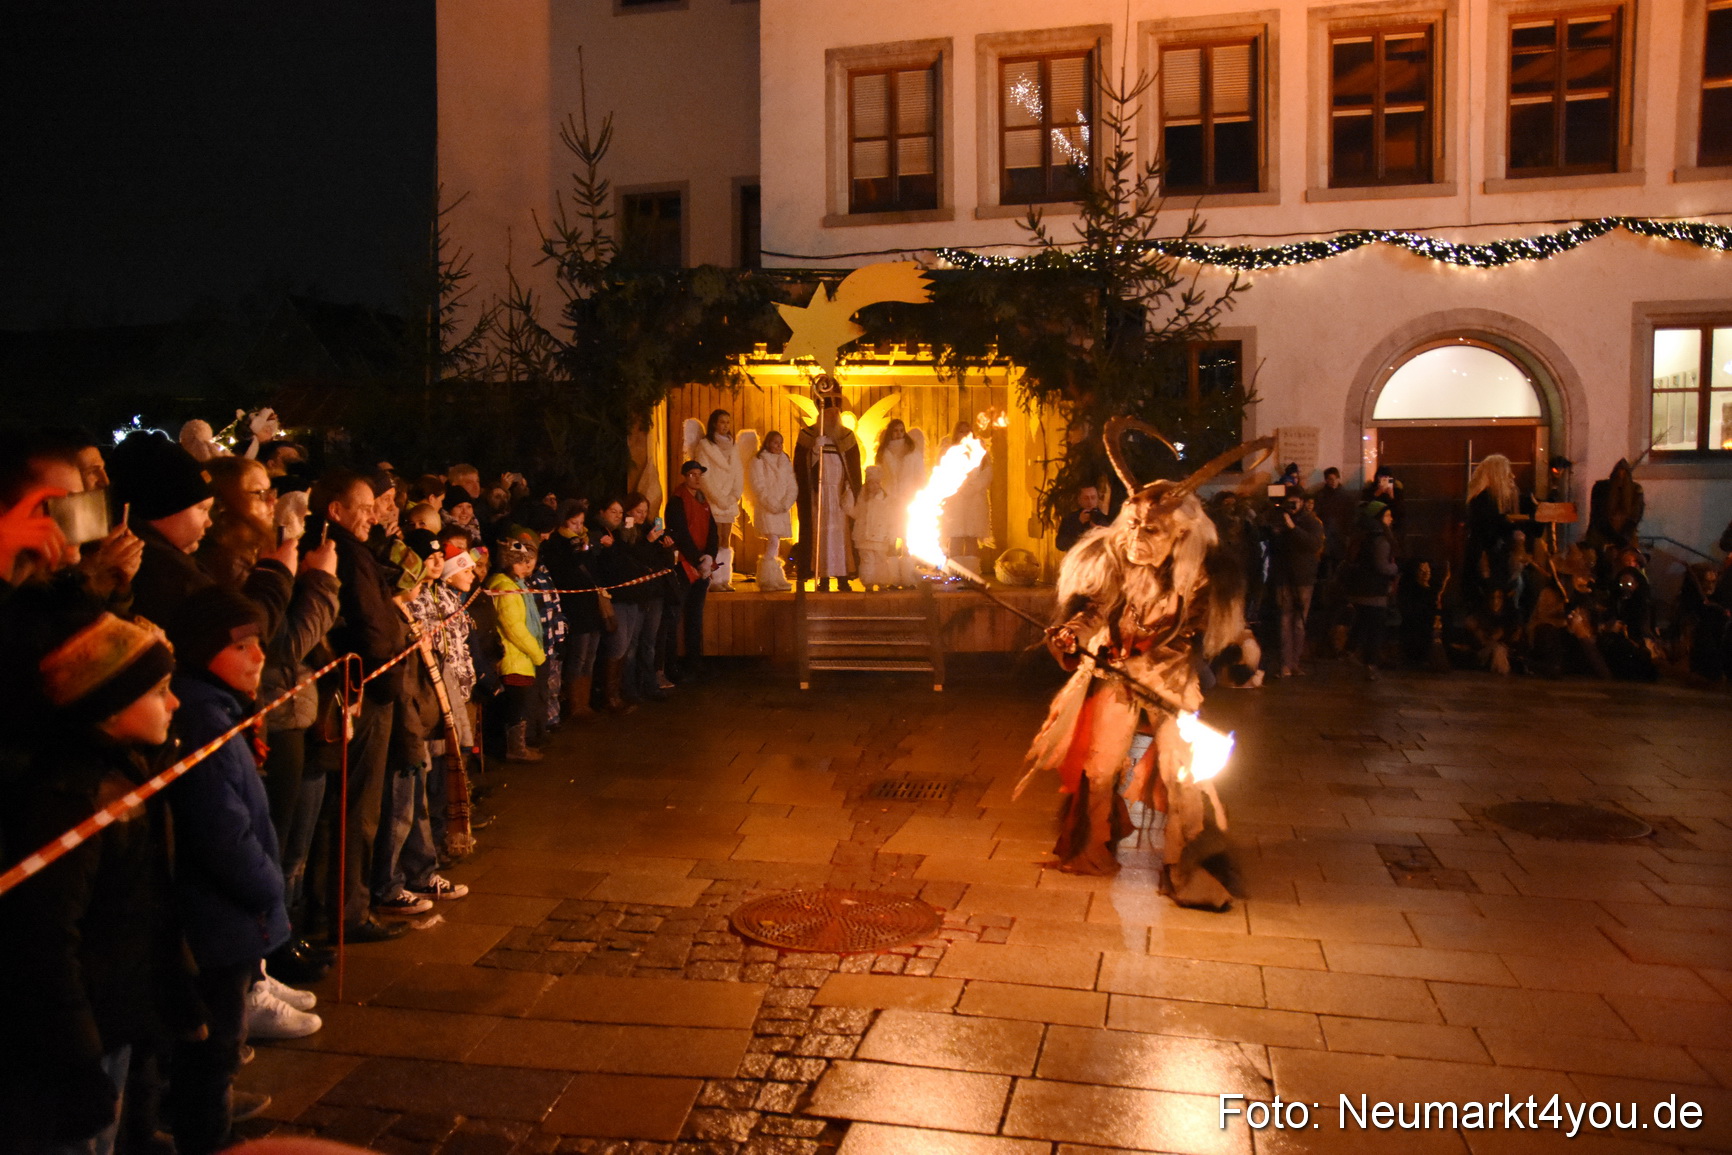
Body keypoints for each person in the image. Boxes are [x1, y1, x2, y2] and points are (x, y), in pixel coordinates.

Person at [1017, 419, 1268, 909]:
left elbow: (1186, 641)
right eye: (1132, 526)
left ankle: (1184, 867)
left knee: (1182, 777)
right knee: (1100, 763)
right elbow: (1096, 610)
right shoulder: (1118, 560)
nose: (1137, 538)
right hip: (1114, 675)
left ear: (1179, 533)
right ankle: (1090, 849)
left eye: (1151, 530)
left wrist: (1141, 666)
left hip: (1168, 684)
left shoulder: (1199, 579)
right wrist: (1074, 635)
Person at [0, 611, 203, 1155]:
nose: (176, 702)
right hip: (72, 1035)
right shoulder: (73, 801)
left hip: (111, 1014)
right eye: (161, 691)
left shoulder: (121, 769)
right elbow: (44, 940)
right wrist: (79, 1061)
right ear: (110, 708)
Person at [163, 587, 317, 1155]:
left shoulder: (219, 708)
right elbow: (221, 828)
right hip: (218, 917)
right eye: (243, 645)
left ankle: (213, 1114)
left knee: (220, 1039)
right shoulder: (204, 717)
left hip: (227, 916)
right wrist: (268, 887)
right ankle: (209, 1134)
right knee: (214, 1041)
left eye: (259, 643)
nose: (258, 657)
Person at [307, 470, 410, 944]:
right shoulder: (346, 554)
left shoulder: (354, 551)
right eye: (365, 507)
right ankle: (346, 910)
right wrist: (386, 676)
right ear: (336, 510)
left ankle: (343, 905)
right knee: (355, 808)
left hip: (365, 686)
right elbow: (372, 623)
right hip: (362, 692)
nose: (374, 515)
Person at [484, 538, 547, 762]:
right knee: (516, 706)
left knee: (518, 704)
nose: (527, 566)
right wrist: (537, 653)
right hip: (514, 656)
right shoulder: (505, 587)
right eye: (521, 562)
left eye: (529, 561)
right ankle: (515, 749)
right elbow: (514, 627)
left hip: (520, 657)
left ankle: (516, 747)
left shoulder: (515, 585)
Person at [540, 499, 602, 719]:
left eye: (581, 522)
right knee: (579, 655)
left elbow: (594, 568)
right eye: (574, 523)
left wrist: (585, 549)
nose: (578, 527)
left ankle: (585, 702)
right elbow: (565, 574)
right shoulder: (556, 543)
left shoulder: (585, 541)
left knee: (591, 655)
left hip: (591, 604)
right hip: (575, 607)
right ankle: (575, 704)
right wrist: (576, 552)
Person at [793, 400, 862, 590]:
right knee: (821, 536)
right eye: (829, 413)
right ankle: (822, 577)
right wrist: (815, 451)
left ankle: (842, 576)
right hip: (819, 496)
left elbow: (853, 468)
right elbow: (801, 468)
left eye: (836, 413)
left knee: (841, 537)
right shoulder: (808, 436)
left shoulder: (847, 436)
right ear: (822, 415)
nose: (833, 417)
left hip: (839, 495)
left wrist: (849, 489)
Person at [665, 460, 719, 679]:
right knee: (676, 615)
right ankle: (671, 666)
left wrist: (710, 556)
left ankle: (694, 661)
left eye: (699, 474)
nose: (697, 478)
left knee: (695, 615)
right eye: (693, 474)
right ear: (685, 476)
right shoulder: (677, 501)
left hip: (701, 565)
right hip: (684, 566)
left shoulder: (702, 499)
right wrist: (698, 559)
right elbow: (680, 534)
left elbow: (712, 530)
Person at [687, 409, 746, 591]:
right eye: (722, 422)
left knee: (726, 540)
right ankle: (712, 579)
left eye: (728, 422)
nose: (725, 426)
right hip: (713, 498)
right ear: (714, 423)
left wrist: (734, 495)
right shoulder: (705, 446)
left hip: (729, 500)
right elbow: (704, 475)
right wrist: (718, 497)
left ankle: (723, 578)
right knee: (714, 538)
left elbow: (738, 472)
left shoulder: (733, 446)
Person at [1269, 489, 1324, 677]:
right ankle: (1285, 664)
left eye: (1295, 503)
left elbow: (1313, 544)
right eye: (1288, 503)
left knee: (1299, 623)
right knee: (1284, 621)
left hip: (1303, 578)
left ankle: (1295, 662)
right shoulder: (1279, 519)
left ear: (1301, 502)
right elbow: (1271, 544)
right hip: (1284, 577)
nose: (1292, 507)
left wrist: (1293, 528)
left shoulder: (1311, 522)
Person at [1343, 502, 1400, 679]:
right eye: (1388, 515)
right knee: (1375, 630)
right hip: (1375, 591)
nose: (1391, 519)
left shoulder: (1361, 535)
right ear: (1379, 518)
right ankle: (1371, 665)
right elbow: (1382, 566)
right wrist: (1395, 568)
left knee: (1361, 622)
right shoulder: (1381, 539)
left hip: (1358, 589)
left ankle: (1349, 651)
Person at [746, 430, 797, 592]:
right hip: (767, 507)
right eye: (775, 442)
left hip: (782, 508)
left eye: (781, 443)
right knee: (773, 540)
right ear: (768, 442)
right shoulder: (759, 460)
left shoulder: (785, 460)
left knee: (776, 543)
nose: (779, 446)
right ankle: (767, 577)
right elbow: (758, 485)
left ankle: (774, 577)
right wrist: (772, 503)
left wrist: (786, 503)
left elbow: (792, 484)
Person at [940, 419, 992, 576]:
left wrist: (973, 488)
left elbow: (987, 473)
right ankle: (955, 574)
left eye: (967, 430)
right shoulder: (948, 450)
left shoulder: (980, 450)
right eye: (961, 431)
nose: (964, 434)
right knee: (955, 537)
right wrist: (958, 487)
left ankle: (972, 574)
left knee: (971, 537)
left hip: (974, 501)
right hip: (955, 500)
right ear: (956, 433)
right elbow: (942, 474)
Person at [875, 419, 927, 564]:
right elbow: (878, 475)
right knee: (891, 537)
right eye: (895, 430)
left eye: (901, 430)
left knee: (907, 537)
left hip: (908, 500)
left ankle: (907, 574)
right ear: (890, 432)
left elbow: (920, 476)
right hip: (889, 500)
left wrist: (921, 496)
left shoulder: (913, 452)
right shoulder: (883, 452)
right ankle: (890, 574)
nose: (899, 434)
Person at [850, 465, 907, 590]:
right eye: (871, 483)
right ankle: (868, 582)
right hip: (864, 536)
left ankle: (882, 582)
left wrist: (891, 533)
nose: (873, 486)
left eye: (876, 483)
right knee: (867, 560)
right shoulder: (862, 498)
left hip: (880, 536)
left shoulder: (885, 500)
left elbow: (892, 518)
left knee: (881, 560)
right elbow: (856, 513)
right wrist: (847, 503)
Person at [1586, 458, 1645, 555]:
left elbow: (1635, 516)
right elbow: (1598, 516)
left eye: (1623, 473)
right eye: (1619, 472)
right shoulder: (1601, 488)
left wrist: (1623, 538)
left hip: (1626, 537)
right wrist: (1613, 536)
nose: (1621, 475)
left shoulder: (1635, 490)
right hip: (1602, 536)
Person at [1311, 467, 1356, 578]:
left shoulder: (1347, 497)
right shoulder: (1320, 495)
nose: (1332, 482)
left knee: (1338, 565)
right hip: (1325, 534)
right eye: (1329, 479)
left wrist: (1347, 532)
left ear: (1338, 479)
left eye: (1334, 479)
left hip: (1340, 535)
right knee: (1323, 566)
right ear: (1326, 480)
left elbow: (1351, 516)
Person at [1056, 483, 1112, 551]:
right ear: (1079, 500)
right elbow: (1061, 545)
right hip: (1079, 558)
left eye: (1093, 497)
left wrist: (1099, 531)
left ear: (1097, 499)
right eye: (1086, 498)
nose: (1090, 501)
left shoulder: (1106, 518)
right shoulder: (1070, 519)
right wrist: (1079, 523)